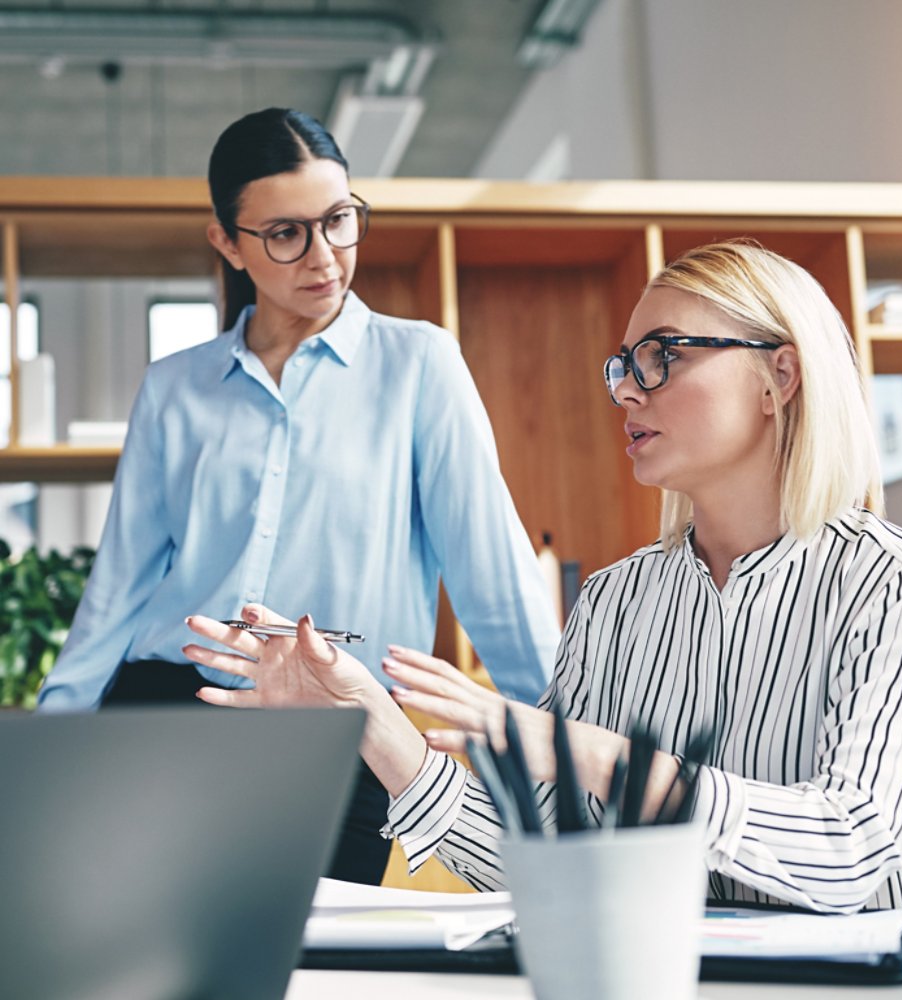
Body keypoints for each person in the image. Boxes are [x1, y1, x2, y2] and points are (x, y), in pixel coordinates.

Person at [185, 240, 902, 913]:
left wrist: (588, 753)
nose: (626, 389)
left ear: (780, 377)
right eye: (623, 365)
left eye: (663, 356)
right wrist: (375, 728)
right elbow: (548, 865)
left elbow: (857, 846)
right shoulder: (615, 600)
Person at [37, 107, 560, 884]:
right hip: (162, 710)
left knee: (307, 969)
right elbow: (117, 590)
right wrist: (49, 755)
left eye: (340, 221)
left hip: (336, 726)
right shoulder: (173, 388)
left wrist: (570, 753)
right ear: (227, 242)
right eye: (286, 233)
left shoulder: (418, 364)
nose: (325, 257)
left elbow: (495, 579)